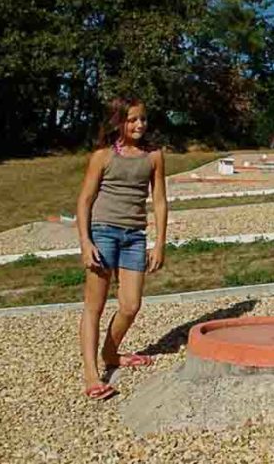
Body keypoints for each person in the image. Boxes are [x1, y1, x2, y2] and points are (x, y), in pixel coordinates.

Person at [76, 97, 167, 400]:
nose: (139, 124)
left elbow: (159, 201)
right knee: (95, 307)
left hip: (134, 237)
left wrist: (160, 243)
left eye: (142, 119)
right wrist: (85, 243)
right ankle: (92, 374)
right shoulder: (102, 157)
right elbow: (85, 201)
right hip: (103, 233)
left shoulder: (154, 156)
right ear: (119, 122)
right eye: (132, 120)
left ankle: (110, 352)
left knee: (130, 305)